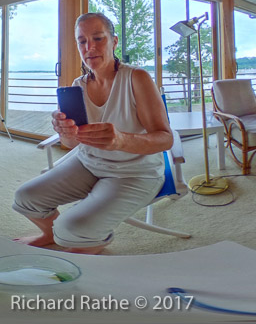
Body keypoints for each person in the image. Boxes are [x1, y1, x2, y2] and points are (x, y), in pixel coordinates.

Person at [12, 13, 172, 254]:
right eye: (82, 41)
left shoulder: (136, 78)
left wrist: (121, 140)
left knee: (71, 228)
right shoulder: (78, 85)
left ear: (114, 42)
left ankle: (90, 239)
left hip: (134, 172)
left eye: (98, 38)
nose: (89, 47)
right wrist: (65, 131)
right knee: (25, 197)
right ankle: (49, 235)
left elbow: (165, 139)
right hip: (88, 163)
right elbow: (70, 144)